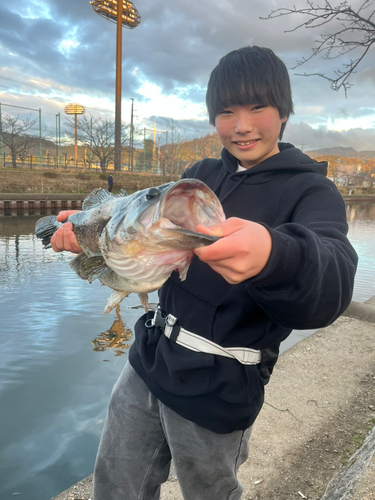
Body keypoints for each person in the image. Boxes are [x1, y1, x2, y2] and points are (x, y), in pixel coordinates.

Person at [50, 46, 358, 500]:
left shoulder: (312, 190)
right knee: (116, 485)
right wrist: (96, 232)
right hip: (148, 361)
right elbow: (144, 235)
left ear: (285, 111)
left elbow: (333, 278)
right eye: (226, 111)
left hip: (220, 387)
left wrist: (277, 255)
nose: (242, 125)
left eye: (258, 108)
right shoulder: (198, 175)